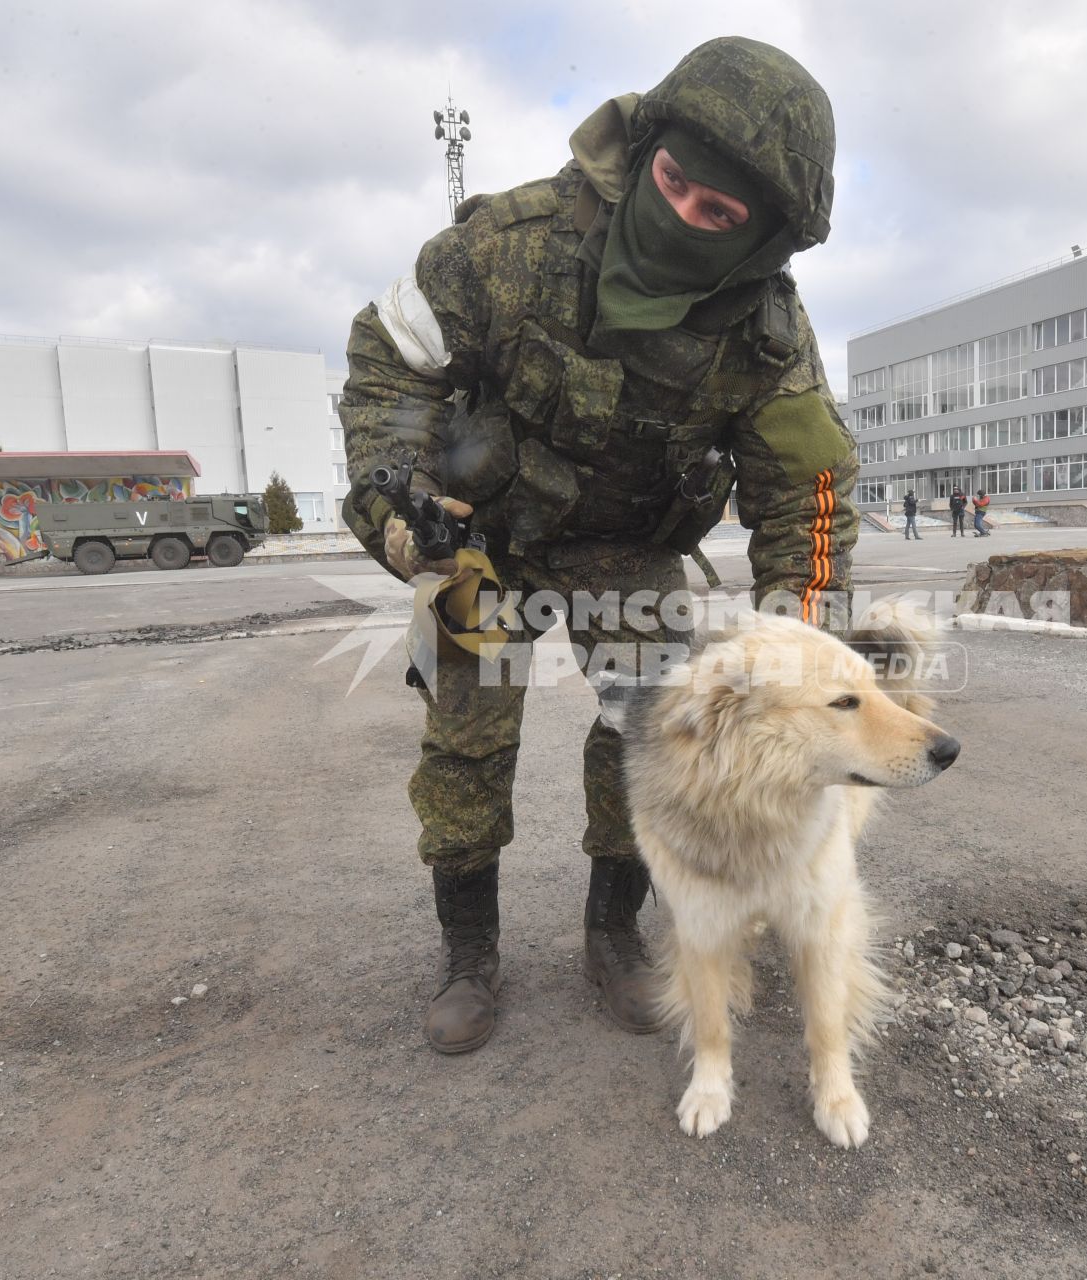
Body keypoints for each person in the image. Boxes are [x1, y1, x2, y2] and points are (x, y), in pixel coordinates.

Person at [339, 37, 857, 1054]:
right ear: (649, 143)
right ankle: (468, 948)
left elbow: (808, 482)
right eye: (672, 185)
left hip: (626, 546)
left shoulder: (766, 332)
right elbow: (388, 358)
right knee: (467, 729)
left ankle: (613, 929)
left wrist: (799, 626)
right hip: (477, 537)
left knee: (658, 733)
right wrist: (405, 509)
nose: (682, 218)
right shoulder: (513, 244)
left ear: (762, 239)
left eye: (719, 216)